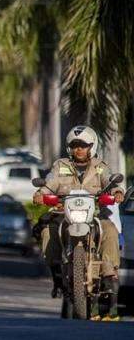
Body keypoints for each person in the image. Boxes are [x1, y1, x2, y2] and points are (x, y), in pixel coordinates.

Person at [33, 125, 124, 321]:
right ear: (69, 148)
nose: (79, 149)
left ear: (92, 146)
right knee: (48, 231)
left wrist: (117, 192)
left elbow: (111, 182)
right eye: (74, 145)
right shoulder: (61, 165)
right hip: (64, 214)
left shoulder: (101, 166)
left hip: (94, 215)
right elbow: (49, 183)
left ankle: (109, 276)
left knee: (110, 230)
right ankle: (57, 275)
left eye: (83, 145)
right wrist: (40, 194)